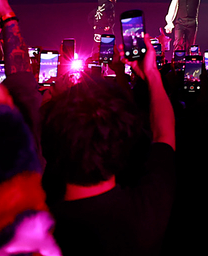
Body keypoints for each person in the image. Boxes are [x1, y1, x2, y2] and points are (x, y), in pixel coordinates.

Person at [42, 35, 176, 256]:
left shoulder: (35, 235)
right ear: (124, 143)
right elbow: (164, 133)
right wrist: (151, 74)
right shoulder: (146, 213)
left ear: (52, 144)